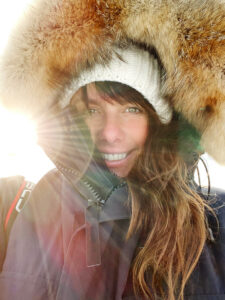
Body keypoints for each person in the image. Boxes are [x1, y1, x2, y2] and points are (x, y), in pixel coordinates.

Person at [0, 45, 224, 300]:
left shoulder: (217, 224)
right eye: (93, 110)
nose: (109, 133)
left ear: (159, 121)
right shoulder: (20, 208)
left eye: (131, 110)